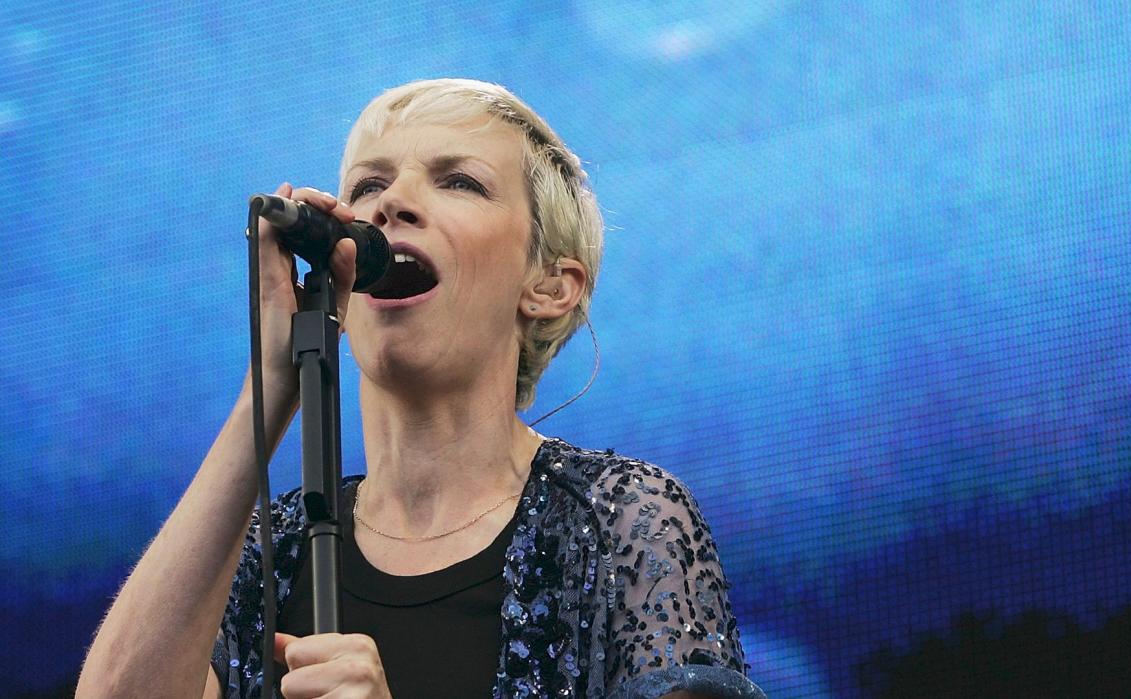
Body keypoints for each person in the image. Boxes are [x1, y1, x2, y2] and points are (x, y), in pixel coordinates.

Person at [76, 78, 763, 699]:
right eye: (368, 186)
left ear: (550, 285)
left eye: (459, 181)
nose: (393, 202)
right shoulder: (272, 548)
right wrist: (273, 383)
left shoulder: (621, 520)